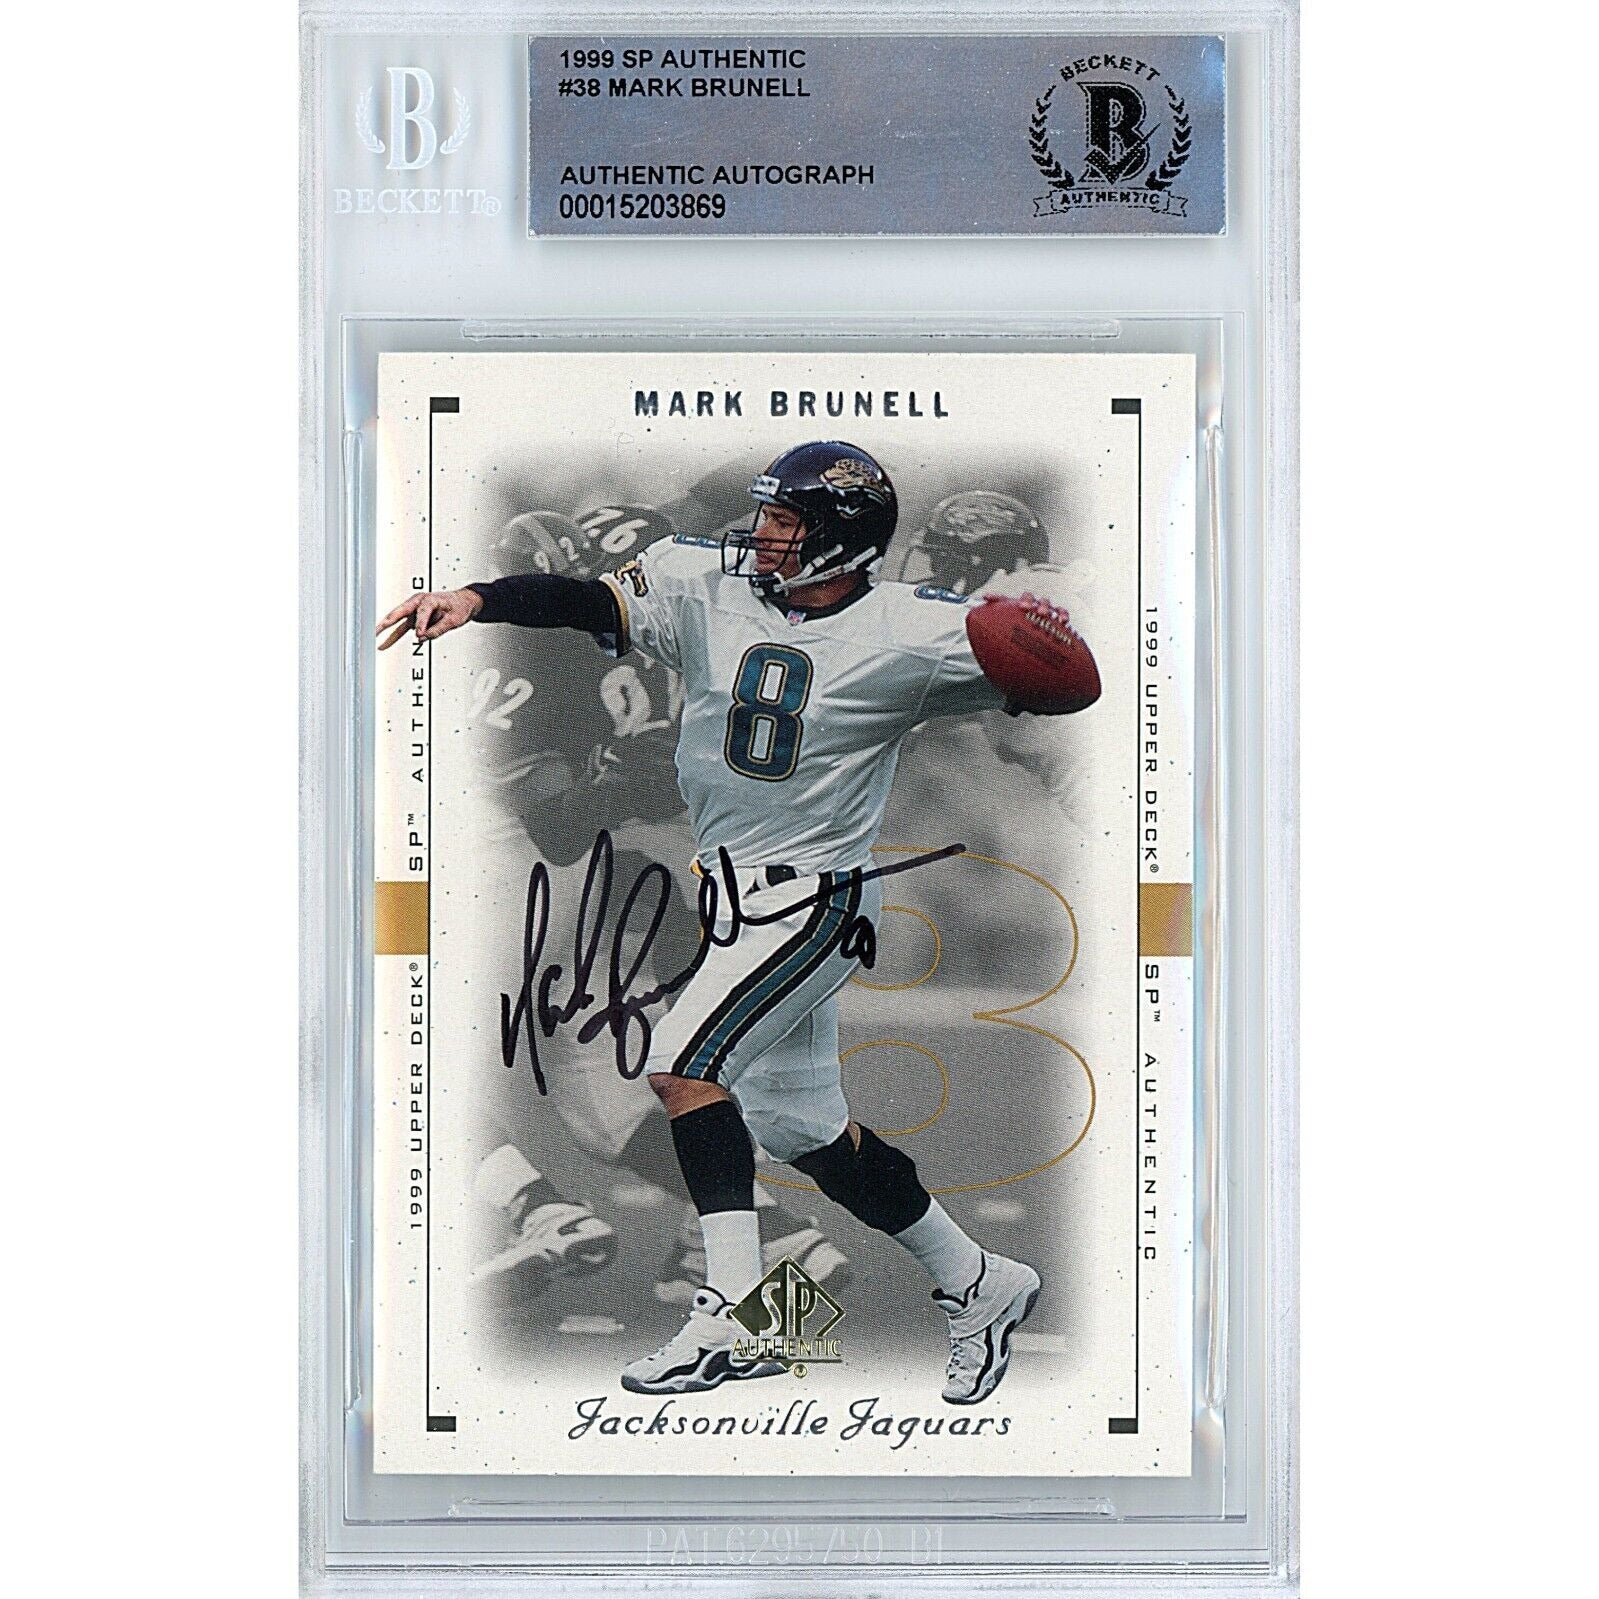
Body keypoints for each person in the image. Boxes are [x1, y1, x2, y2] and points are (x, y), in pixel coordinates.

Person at [379, 441, 1098, 1405]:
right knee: (804, 1128)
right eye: (763, 514)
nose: (760, 534)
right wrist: (480, 596)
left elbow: (1065, 685)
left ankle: (726, 1310)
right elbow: (588, 601)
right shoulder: (702, 582)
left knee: (683, 1064)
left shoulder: (914, 627)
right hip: (728, 889)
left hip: (812, 897)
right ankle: (976, 1278)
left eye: (784, 521)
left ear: (837, 539)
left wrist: (1045, 636)